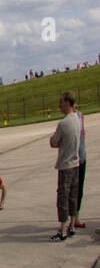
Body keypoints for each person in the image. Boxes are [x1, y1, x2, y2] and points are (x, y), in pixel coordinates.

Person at [49, 91, 82, 241]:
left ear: (67, 102)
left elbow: (53, 142)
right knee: (73, 196)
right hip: (76, 163)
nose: (59, 105)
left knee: (63, 197)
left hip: (65, 165)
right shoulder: (77, 119)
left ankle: (62, 229)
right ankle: (72, 225)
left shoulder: (63, 123)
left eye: (61, 102)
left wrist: (57, 142)